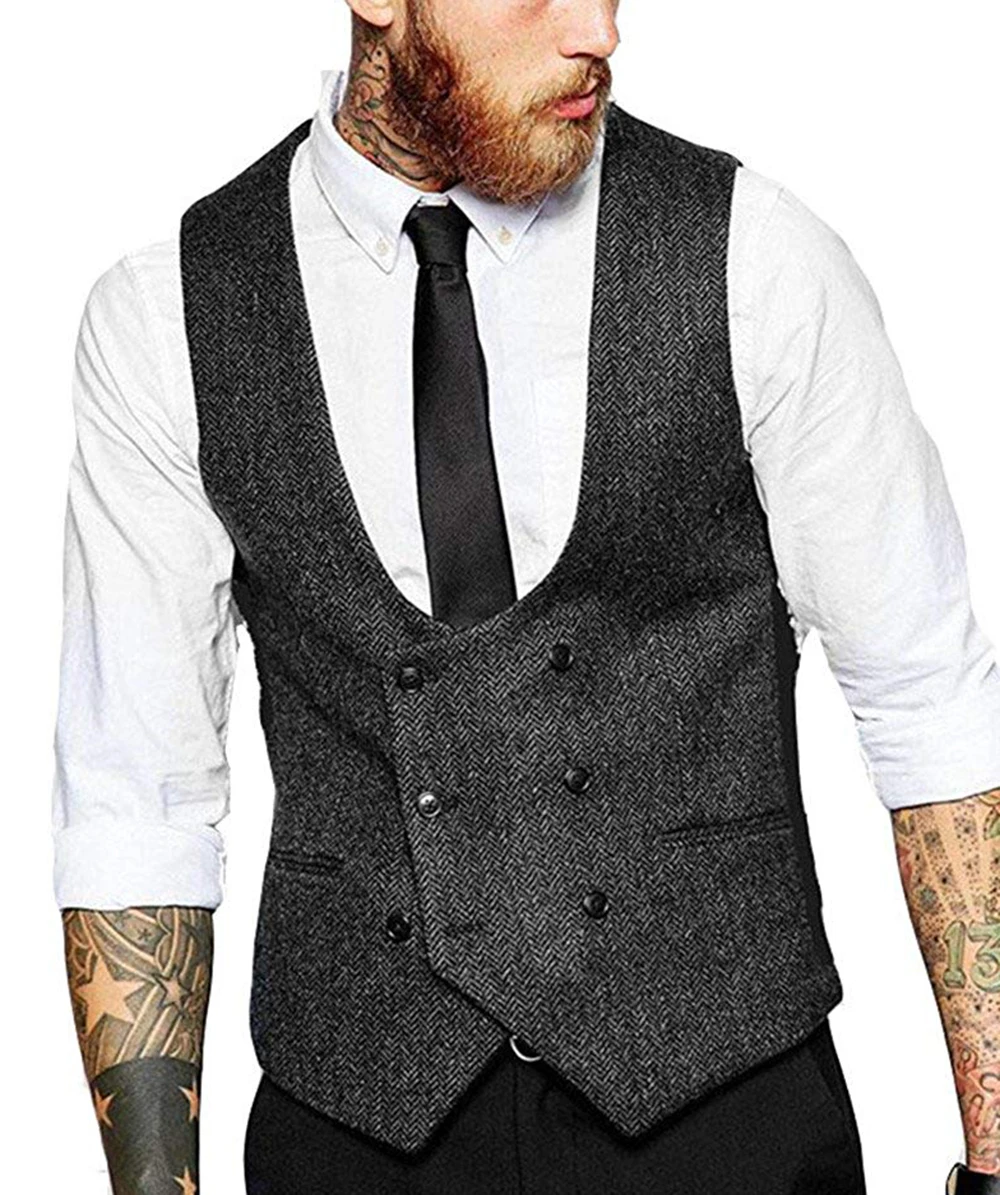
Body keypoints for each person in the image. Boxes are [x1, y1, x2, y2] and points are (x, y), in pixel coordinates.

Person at [51, 1, 1000, 1193]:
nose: (598, 31)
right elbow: (135, 789)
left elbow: (928, 701)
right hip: (358, 1127)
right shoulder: (169, 314)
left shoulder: (756, 254)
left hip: (724, 1115)